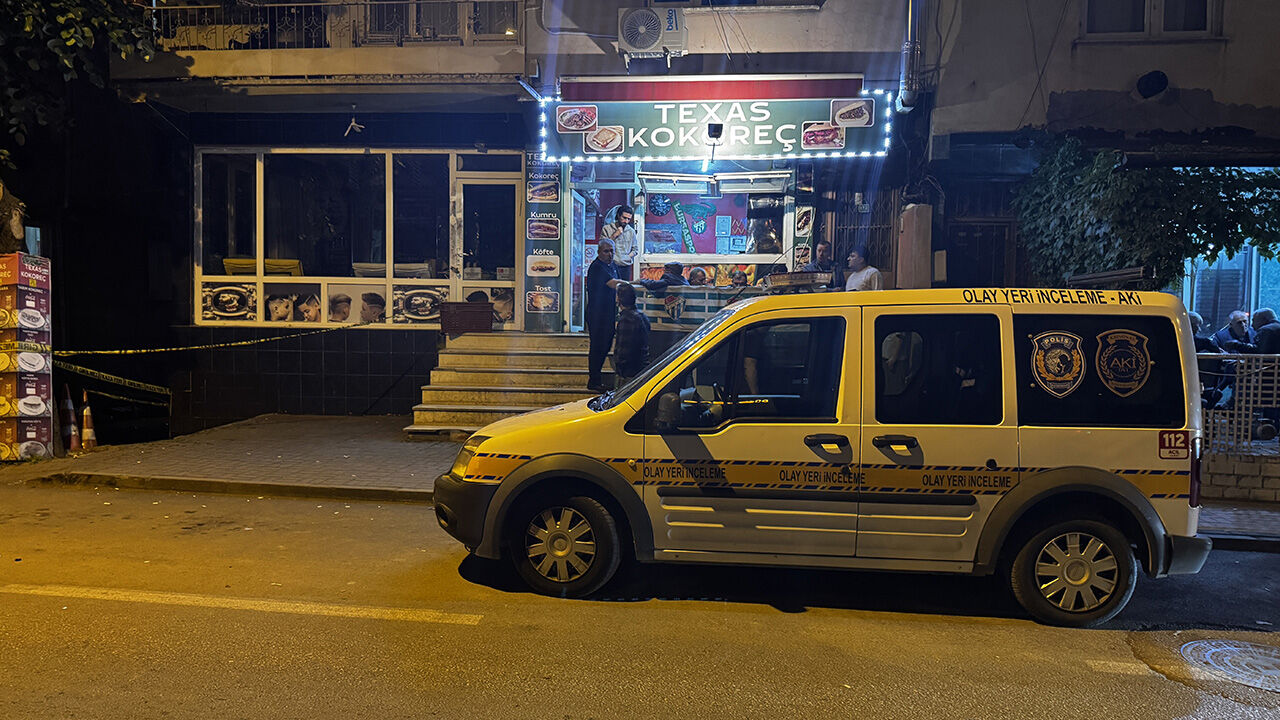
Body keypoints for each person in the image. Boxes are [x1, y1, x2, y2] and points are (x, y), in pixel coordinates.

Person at [586, 239, 622, 391]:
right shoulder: (597, 267)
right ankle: (594, 381)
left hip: (608, 313)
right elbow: (613, 283)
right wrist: (633, 283)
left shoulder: (612, 265)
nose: (610, 254)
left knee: (606, 345)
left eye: (612, 251)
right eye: (606, 251)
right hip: (596, 313)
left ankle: (596, 379)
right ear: (599, 252)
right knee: (598, 347)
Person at [612, 283, 650, 387]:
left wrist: (619, 367)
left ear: (620, 298)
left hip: (629, 372)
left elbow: (623, 350)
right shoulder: (642, 316)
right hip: (640, 367)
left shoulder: (626, 319)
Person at [601, 204, 637, 280]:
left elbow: (635, 249)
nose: (626, 221)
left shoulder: (631, 231)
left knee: (624, 290)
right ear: (618, 215)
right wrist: (615, 235)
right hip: (610, 265)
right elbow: (602, 247)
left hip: (625, 266)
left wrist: (627, 257)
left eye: (628, 219)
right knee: (610, 290)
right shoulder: (607, 228)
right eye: (624, 218)